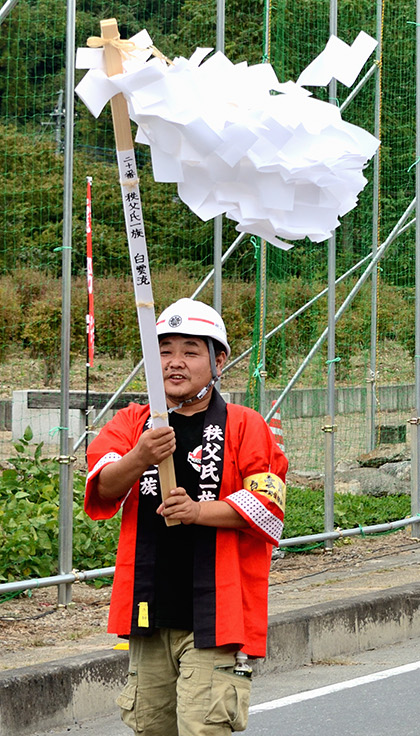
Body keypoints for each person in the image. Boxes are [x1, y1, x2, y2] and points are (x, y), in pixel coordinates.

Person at [84, 298, 288, 736]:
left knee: (202, 728)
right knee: (149, 728)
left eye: (191, 351)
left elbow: (269, 508)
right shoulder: (132, 422)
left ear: (219, 361)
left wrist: (199, 512)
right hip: (148, 610)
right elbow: (101, 488)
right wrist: (140, 455)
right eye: (164, 350)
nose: (175, 363)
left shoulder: (246, 424)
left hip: (218, 614)